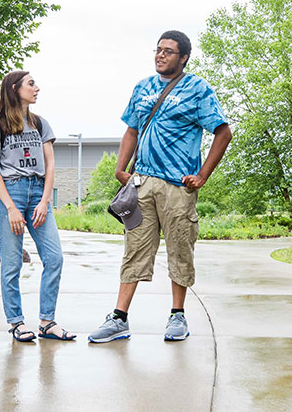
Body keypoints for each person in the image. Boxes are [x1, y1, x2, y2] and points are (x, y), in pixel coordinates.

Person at [88, 30, 233, 343]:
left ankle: (177, 316)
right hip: (142, 184)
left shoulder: (197, 89)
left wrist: (203, 175)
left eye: (168, 51)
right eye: (158, 50)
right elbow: (131, 131)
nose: (160, 55)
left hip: (177, 186)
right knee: (134, 249)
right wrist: (120, 169)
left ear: (183, 58)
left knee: (180, 248)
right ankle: (119, 318)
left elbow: (223, 132)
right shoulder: (142, 87)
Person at [0, 70, 74, 342]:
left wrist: (46, 200)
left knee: (54, 258)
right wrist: (10, 207)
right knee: (12, 264)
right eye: (31, 83)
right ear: (15, 88)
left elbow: (50, 164)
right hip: (11, 193)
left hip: (38, 193)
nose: (37, 88)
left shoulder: (40, 123)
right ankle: (17, 322)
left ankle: (47, 322)